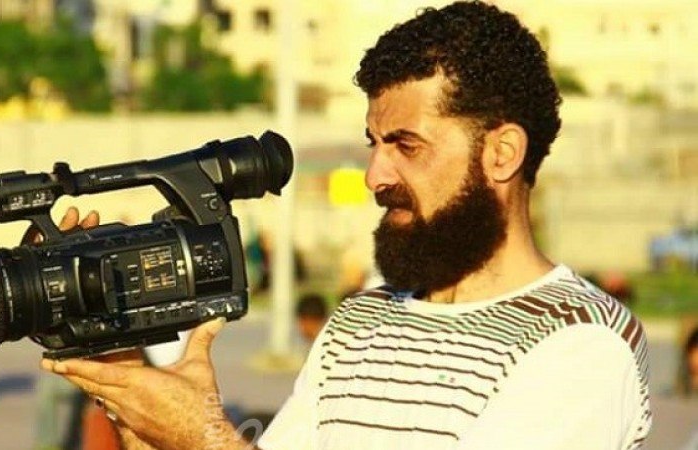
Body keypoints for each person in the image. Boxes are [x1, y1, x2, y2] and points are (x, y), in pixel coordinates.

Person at [41, 2, 651, 449]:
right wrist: (126, 382)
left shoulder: (581, 344)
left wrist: (206, 437)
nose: (375, 175)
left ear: (501, 153)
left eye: (406, 145)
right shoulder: (360, 321)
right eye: (374, 144)